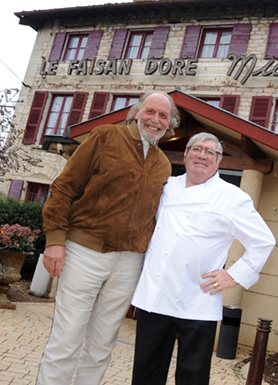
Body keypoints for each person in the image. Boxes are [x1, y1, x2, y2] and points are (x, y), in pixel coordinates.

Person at [37, 91, 179, 385]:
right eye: (150, 111)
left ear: (170, 123)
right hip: (84, 252)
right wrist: (54, 240)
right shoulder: (104, 137)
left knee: (102, 346)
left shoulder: (164, 165)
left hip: (129, 262)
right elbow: (63, 188)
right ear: (137, 112)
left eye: (163, 116)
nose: (155, 120)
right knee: (66, 339)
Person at [130, 132, 276, 385]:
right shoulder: (166, 185)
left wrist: (233, 275)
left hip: (197, 300)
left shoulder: (232, 197)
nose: (202, 155)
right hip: (155, 296)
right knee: (145, 374)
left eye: (210, 152)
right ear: (186, 155)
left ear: (218, 161)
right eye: (197, 149)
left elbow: (264, 241)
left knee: (193, 377)